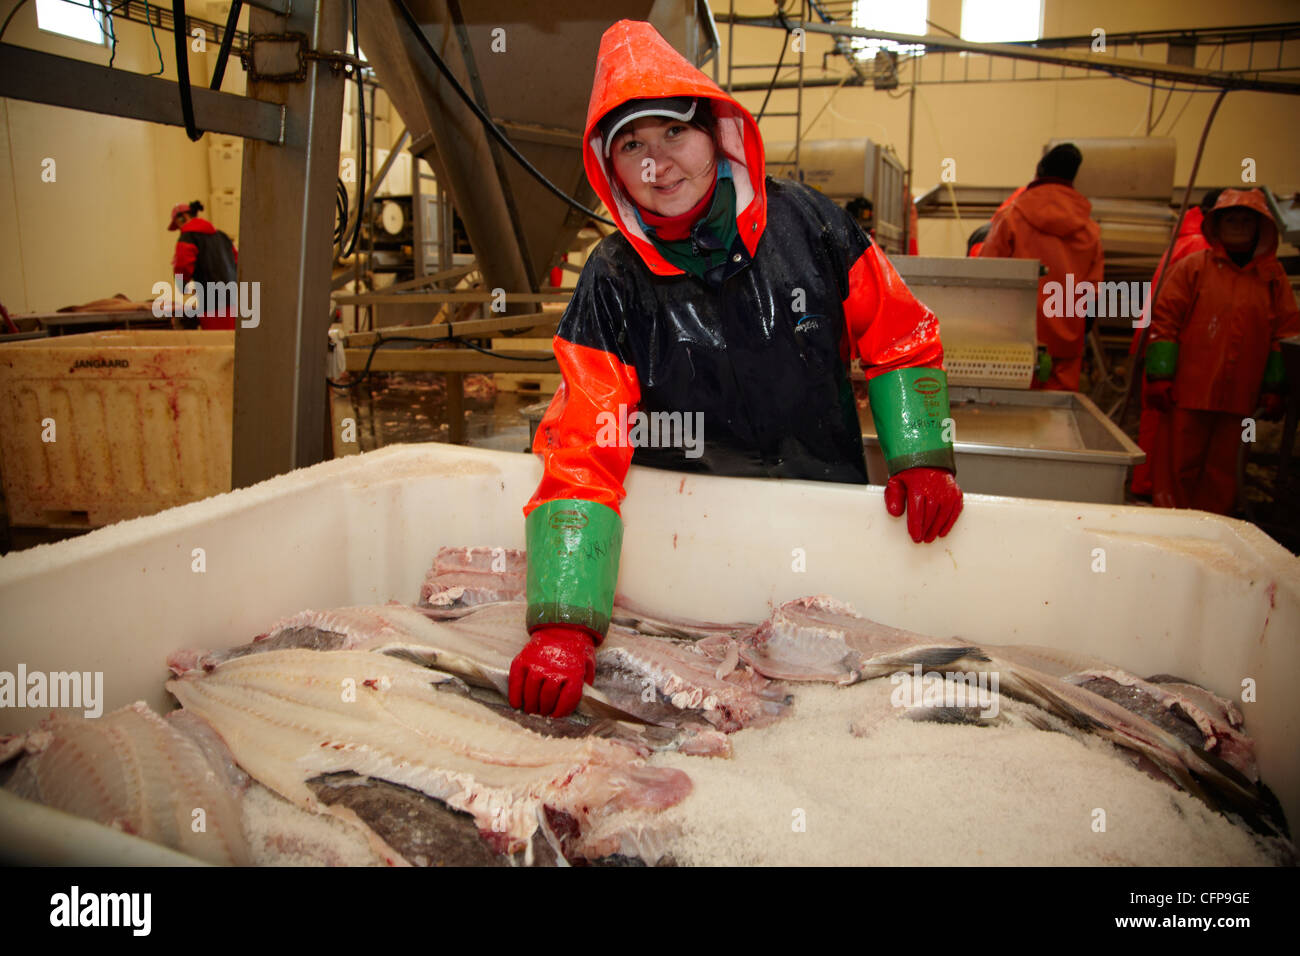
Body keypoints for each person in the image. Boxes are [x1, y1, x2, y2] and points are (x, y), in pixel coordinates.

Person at [507, 20, 963, 718]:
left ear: (715, 135)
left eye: (673, 135)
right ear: (610, 167)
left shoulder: (809, 224)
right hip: (694, 551)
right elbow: (582, 448)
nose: (657, 165)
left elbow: (899, 336)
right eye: (632, 146)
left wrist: (924, 453)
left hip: (829, 526)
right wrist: (565, 620)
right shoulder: (611, 280)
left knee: (840, 715)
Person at [1144, 188, 1299, 514]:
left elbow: (1285, 331)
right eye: (1231, 219)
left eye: (1246, 220)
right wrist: (1160, 374)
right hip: (1188, 393)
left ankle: (1213, 539)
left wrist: (1275, 384)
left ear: (1261, 227)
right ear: (1217, 224)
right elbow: (1165, 319)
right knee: (1177, 467)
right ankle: (1171, 530)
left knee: (1225, 474)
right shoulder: (1192, 268)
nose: (1239, 226)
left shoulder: (1273, 278)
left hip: (1242, 396)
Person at [979, 144, 1104, 391]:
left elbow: (983, 278)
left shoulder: (1011, 218)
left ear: (1039, 171)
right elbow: (1093, 294)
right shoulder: (1090, 230)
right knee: (1056, 421)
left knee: (1009, 419)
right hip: (1065, 352)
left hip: (1012, 349)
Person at [1128, 188, 1221, 497]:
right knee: (1167, 428)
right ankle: (1152, 489)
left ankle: (1150, 486)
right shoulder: (1199, 249)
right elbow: (1170, 311)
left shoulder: (1188, 241)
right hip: (1171, 352)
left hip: (1159, 345)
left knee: (1159, 425)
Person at [167, 200, 238, 330]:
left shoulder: (188, 237)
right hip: (235, 300)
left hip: (212, 305)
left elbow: (182, 265)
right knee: (234, 344)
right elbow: (238, 262)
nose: (179, 229)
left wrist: (182, 286)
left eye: (177, 224)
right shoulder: (222, 236)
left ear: (183, 217)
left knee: (218, 346)